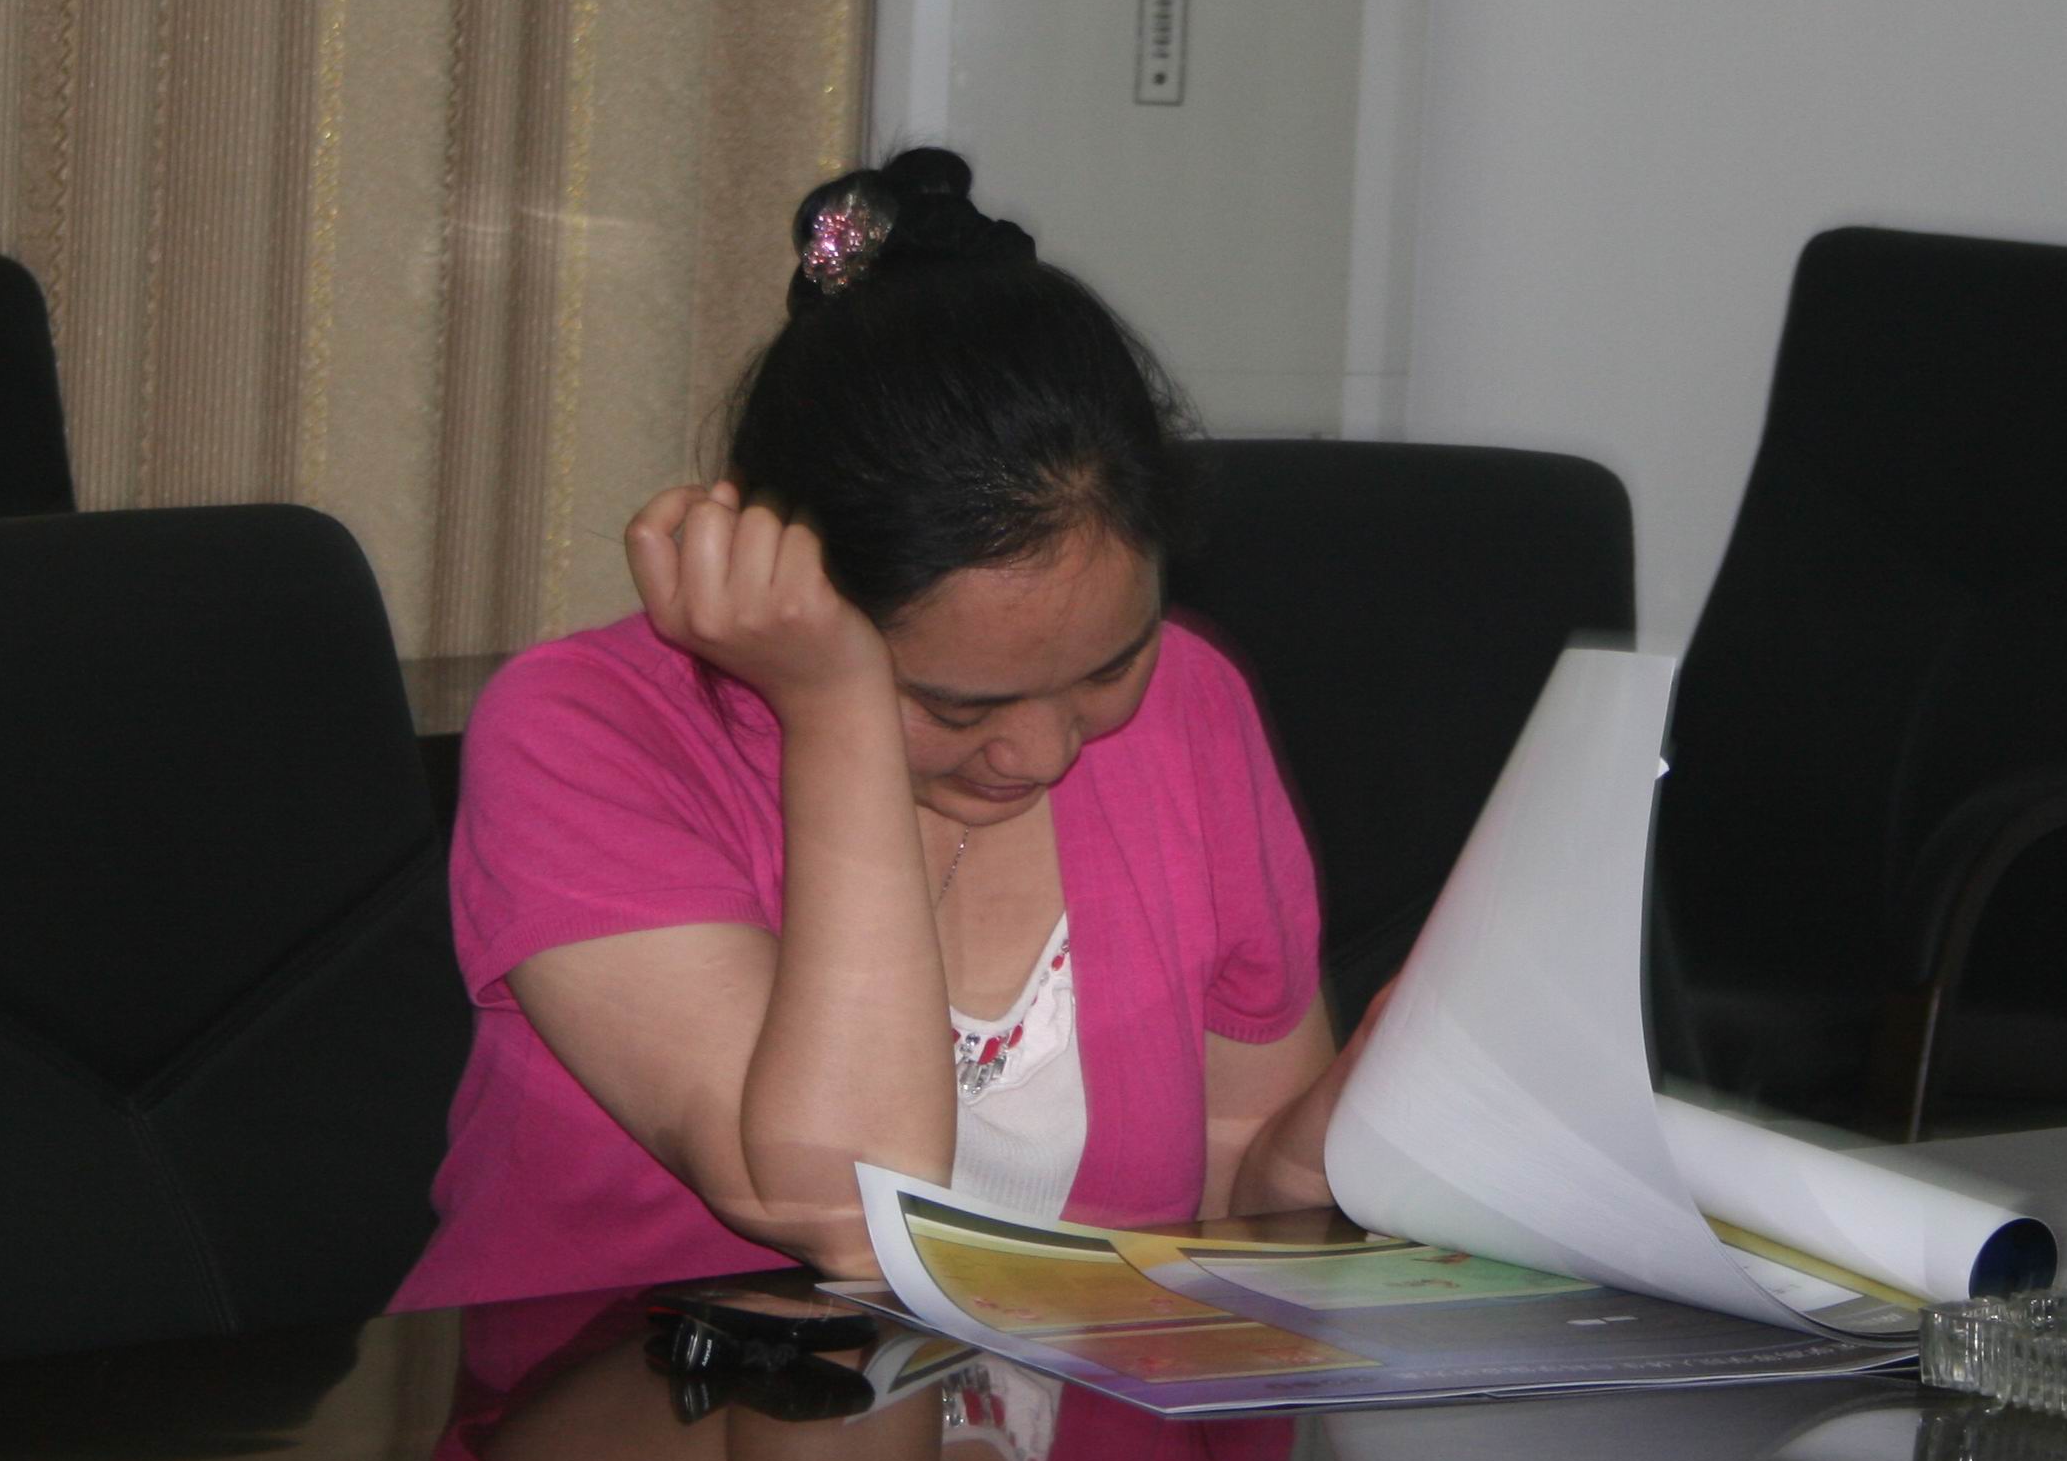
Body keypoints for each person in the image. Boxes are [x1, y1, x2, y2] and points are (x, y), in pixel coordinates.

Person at [391, 148, 1365, 1312]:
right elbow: (853, 1211)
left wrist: (1358, 1129)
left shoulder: (1191, 702)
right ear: (796, 587)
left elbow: (1238, 1207)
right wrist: (835, 708)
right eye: (958, 704)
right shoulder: (581, 733)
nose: (1045, 752)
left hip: (1050, 1413)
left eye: (1110, 666)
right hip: (626, 1399)